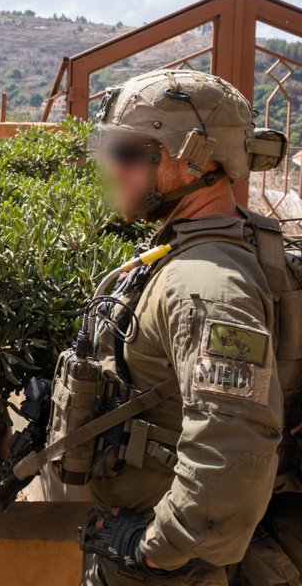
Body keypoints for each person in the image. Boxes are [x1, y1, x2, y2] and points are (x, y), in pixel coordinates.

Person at [79, 69, 285, 585]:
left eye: (128, 152)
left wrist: (158, 548)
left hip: (172, 568)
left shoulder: (205, 284)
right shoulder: (192, 252)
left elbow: (232, 443)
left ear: (194, 158)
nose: (111, 167)